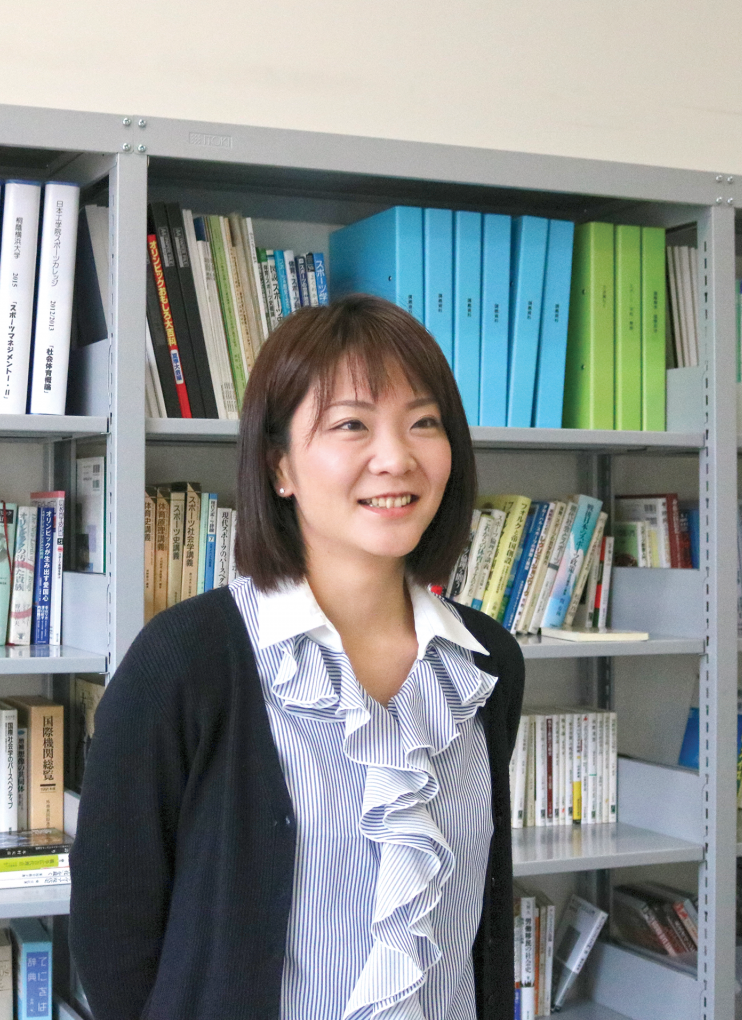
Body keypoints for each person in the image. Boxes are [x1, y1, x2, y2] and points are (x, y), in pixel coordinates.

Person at [72, 293, 525, 1020]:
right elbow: (113, 935)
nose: (396, 458)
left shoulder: (484, 663)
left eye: (424, 422)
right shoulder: (187, 660)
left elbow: (479, 914)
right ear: (279, 465)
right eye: (352, 424)